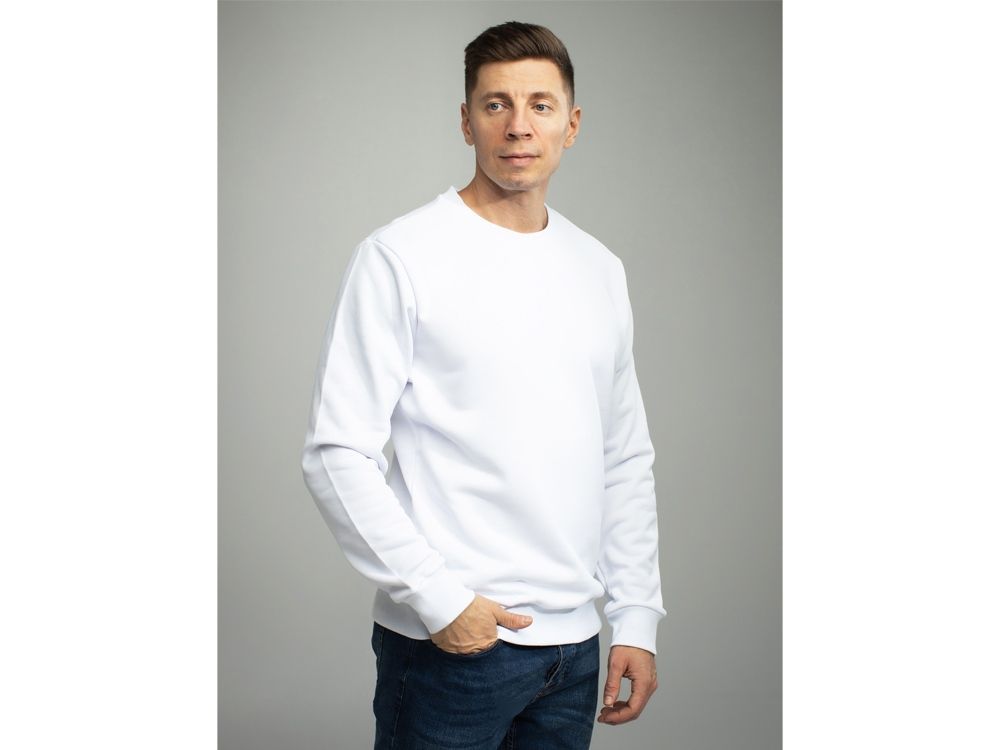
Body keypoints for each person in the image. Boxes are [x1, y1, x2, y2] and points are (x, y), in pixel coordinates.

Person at [301, 20, 665, 749]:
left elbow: (622, 456)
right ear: (467, 122)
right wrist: (438, 600)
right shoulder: (401, 256)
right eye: (496, 104)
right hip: (453, 645)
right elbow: (336, 452)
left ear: (572, 124)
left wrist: (635, 616)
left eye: (539, 105)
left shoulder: (599, 268)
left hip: (574, 650)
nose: (518, 125)